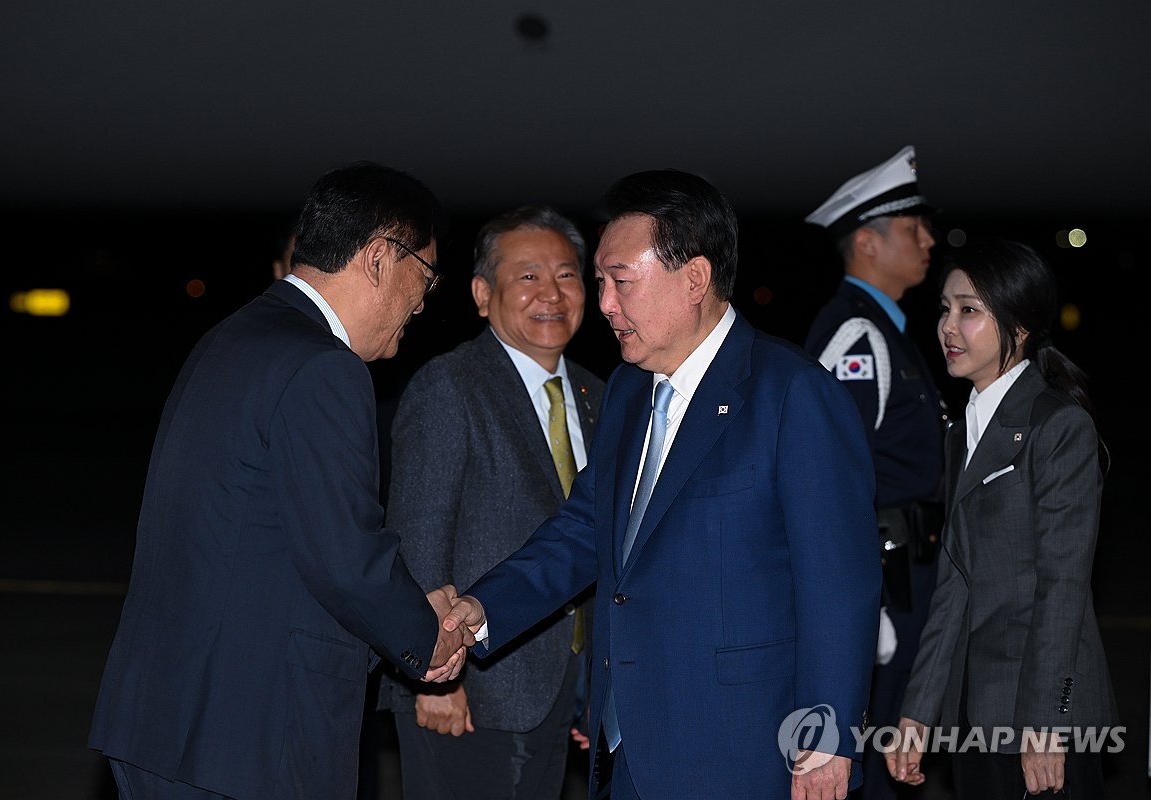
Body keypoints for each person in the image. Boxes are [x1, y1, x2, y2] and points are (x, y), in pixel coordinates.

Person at [442, 169, 881, 799]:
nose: (606, 305)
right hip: (628, 749)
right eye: (601, 282)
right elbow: (585, 529)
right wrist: (481, 611)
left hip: (746, 753)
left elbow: (839, 584)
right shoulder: (627, 390)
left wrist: (829, 740)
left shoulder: (791, 395)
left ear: (695, 279)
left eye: (620, 282)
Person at [88, 161, 475, 800]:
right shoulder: (325, 369)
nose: (423, 302)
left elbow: (265, 542)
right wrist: (425, 633)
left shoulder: (232, 338)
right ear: (381, 256)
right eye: (425, 277)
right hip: (249, 736)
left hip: (170, 722)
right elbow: (345, 557)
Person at [379, 204, 606, 799]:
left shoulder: (601, 396)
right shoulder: (449, 386)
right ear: (482, 294)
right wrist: (429, 678)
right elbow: (416, 535)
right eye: (527, 276)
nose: (551, 293)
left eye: (566, 274)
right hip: (470, 688)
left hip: (563, 687)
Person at [886, 237, 1118, 798]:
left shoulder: (1057, 427)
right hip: (977, 713)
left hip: (1043, 720)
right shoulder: (961, 431)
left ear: (1018, 326)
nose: (948, 326)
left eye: (969, 310)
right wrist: (918, 712)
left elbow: (1063, 586)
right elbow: (955, 584)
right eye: (944, 308)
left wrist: (1045, 723)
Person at [803, 145, 947, 799]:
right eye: (912, 229)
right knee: (874, 757)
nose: (929, 239)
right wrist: (865, 600)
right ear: (868, 242)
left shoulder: (886, 331)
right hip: (885, 578)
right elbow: (828, 481)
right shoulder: (857, 339)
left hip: (906, 573)